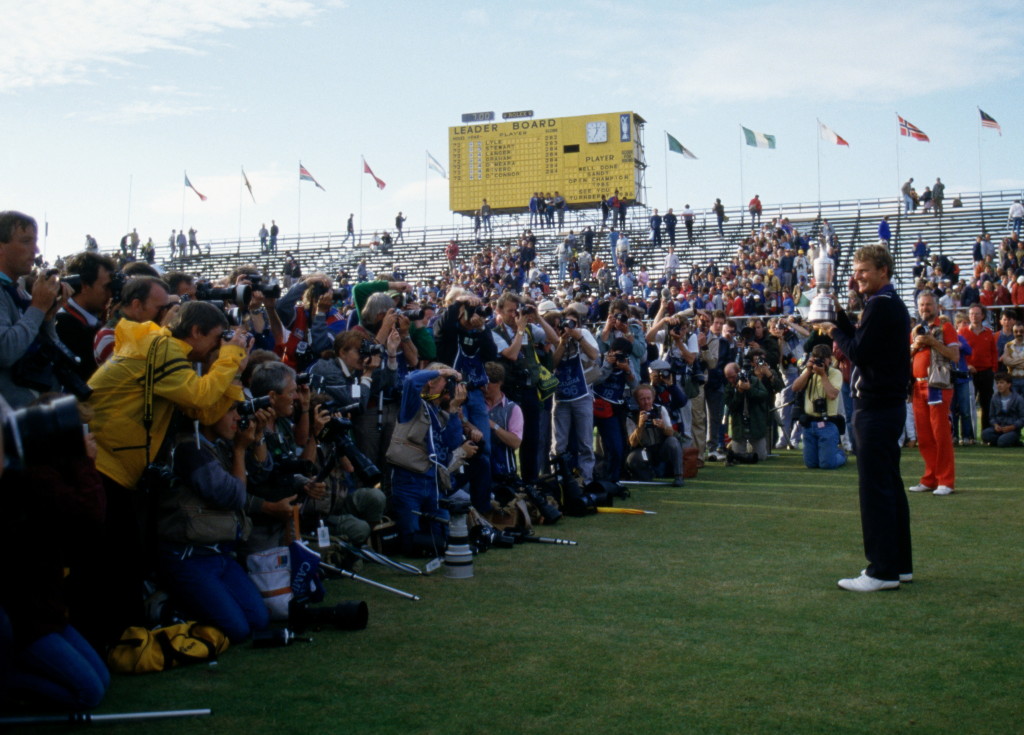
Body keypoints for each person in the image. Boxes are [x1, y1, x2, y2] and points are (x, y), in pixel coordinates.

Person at [158, 401, 293, 643]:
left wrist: (258, 436)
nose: (237, 417)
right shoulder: (190, 449)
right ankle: (170, 607)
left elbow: (261, 473)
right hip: (190, 556)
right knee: (237, 630)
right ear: (208, 413)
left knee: (259, 620)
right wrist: (240, 451)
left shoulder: (219, 445)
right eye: (230, 410)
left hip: (220, 554)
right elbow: (234, 496)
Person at [828, 244, 912, 592]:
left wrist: (833, 331)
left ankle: (881, 571)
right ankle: (899, 565)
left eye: (863, 269)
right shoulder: (887, 303)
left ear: (883, 271)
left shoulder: (881, 305)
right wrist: (839, 318)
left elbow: (859, 350)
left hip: (875, 408)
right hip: (885, 406)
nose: (856, 275)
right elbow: (863, 340)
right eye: (855, 268)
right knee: (890, 486)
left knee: (875, 490)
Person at [386, 365, 477, 554]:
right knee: (411, 539)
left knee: (443, 539)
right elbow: (411, 381)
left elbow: (451, 444)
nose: (451, 387)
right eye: (448, 382)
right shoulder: (413, 404)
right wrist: (441, 372)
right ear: (431, 382)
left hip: (433, 482)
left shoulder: (440, 412)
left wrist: (453, 410)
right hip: (409, 480)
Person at [0, 211, 74, 407]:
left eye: (35, 241)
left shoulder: (19, 290)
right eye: (26, 241)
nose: (36, 249)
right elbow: (5, 352)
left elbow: (48, 350)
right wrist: (38, 308)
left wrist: (47, 317)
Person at [908, 291, 959, 495]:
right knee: (924, 435)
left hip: (937, 385)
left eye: (928, 304)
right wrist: (915, 345)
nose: (925, 308)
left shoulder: (945, 327)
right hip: (917, 386)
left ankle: (945, 480)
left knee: (940, 433)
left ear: (937, 307)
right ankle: (930, 478)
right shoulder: (915, 330)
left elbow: (954, 355)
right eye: (922, 305)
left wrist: (933, 342)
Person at [55, 251, 117, 381]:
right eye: (106, 287)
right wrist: (113, 325)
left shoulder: (94, 319)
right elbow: (93, 370)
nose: (110, 293)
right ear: (84, 286)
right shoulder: (62, 323)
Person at [791, 344, 846, 469]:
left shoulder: (835, 373)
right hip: (810, 424)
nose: (820, 361)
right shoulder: (809, 371)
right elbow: (795, 388)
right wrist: (809, 371)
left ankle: (840, 454)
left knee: (827, 464)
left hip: (828, 424)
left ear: (829, 360)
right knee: (811, 464)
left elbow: (832, 395)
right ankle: (829, 453)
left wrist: (823, 375)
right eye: (817, 358)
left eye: (823, 359)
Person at [625, 384, 683, 486]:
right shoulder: (631, 414)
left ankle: (678, 476)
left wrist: (663, 427)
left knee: (673, 441)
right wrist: (640, 426)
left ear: (653, 398)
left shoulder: (661, 409)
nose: (646, 402)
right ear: (637, 400)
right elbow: (632, 443)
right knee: (632, 458)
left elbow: (671, 433)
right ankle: (647, 475)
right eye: (642, 399)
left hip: (660, 448)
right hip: (643, 450)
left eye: (648, 398)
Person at [483, 362, 524, 482]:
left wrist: (493, 426)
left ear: (499, 383)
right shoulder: (476, 404)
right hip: (481, 472)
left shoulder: (513, 409)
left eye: (488, 384)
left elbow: (515, 442)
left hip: (505, 472)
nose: (484, 388)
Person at [981, 372, 1024, 446]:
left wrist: (1012, 426)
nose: (999, 385)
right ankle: (1003, 440)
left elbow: (1022, 418)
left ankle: (1012, 439)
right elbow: (991, 416)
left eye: (1002, 383)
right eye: (997, 383)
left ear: (1009, 384)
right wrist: (995, 425)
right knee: (985, 434)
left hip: (1012, 429)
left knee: (1002, 442)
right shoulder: (994, 398)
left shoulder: (1018, 399)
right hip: (999, 428)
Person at [1002, 323, 1024, 396]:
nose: (1018, 333)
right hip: (1012, 379)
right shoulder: (1008, 345)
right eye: (1016, 331)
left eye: (1021, 331)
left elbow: (1010, 362)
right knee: (1014, 404)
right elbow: (1006, 361)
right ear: (1013, 332)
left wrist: (1013, 362)